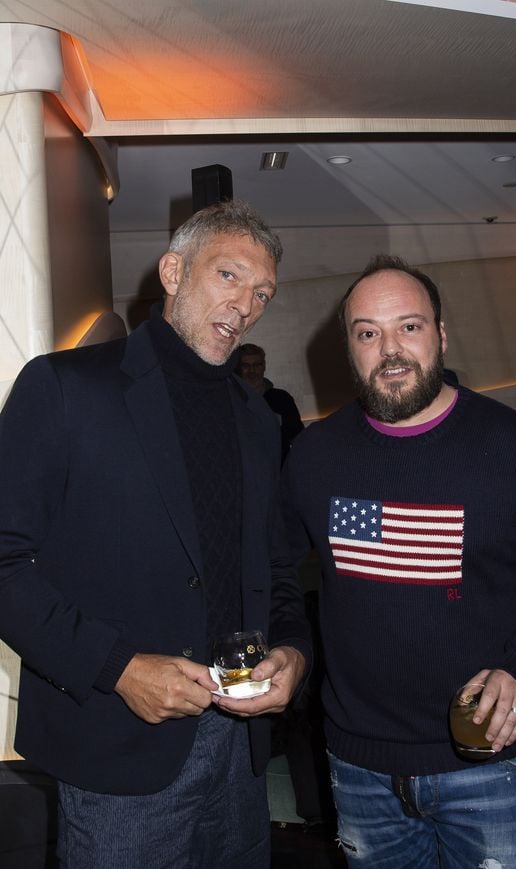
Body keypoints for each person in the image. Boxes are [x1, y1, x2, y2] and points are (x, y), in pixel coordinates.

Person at [0, 200, 311, 869]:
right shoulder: (64, 387)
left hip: (241, 752)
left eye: (262, 293)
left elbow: (276, 569)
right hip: (120, 754)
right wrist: (117, 668)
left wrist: (293, 649)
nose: (246, 304)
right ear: (172, 270)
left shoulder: (259, 423)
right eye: (229, 276)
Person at [281, 253, 516, 868]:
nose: (389, 349)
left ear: (441, 335)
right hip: (359, 767)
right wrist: (288, 646)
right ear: (349, 348)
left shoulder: (515, 448)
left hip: (489, 763)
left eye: (408, 327)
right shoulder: (315, 456)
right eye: (368, 333)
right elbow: (275, 574)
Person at [237, 343, 304, 461]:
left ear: (264, 366)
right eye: (245, 365)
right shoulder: (230, 400)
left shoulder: (282, 399)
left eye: (257, 365)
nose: (251, 371)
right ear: (238, 369)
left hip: (280, 471)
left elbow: (298, 438)